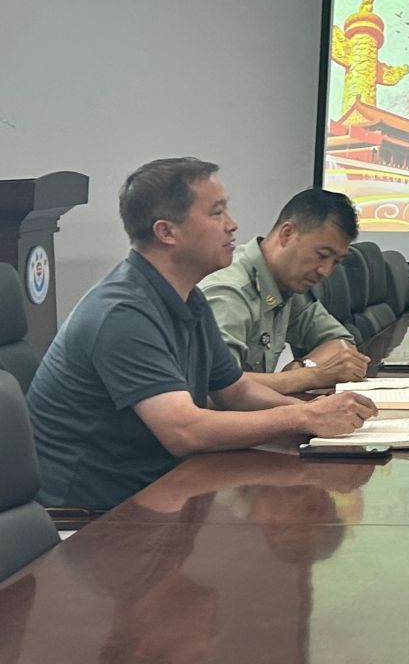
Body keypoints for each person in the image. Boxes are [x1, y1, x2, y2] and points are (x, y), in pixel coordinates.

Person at [28, 158, 378, 511]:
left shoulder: (189, 298)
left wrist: (315, 412)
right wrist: (301, 417)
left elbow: (236, 392)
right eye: (217, 213)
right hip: (94, 515)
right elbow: (183, 431)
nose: (232, 225)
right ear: (167, 232)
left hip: (161, 491)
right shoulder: (122, 313)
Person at [200, 188, 369, 393]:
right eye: (322, 255)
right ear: (287, 234)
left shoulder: (285, 282)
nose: (325, 271)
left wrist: (303, 366)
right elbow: (215, 388)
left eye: (336, 262)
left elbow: (341, 344)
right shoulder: (230, 294)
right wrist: (312, 376)